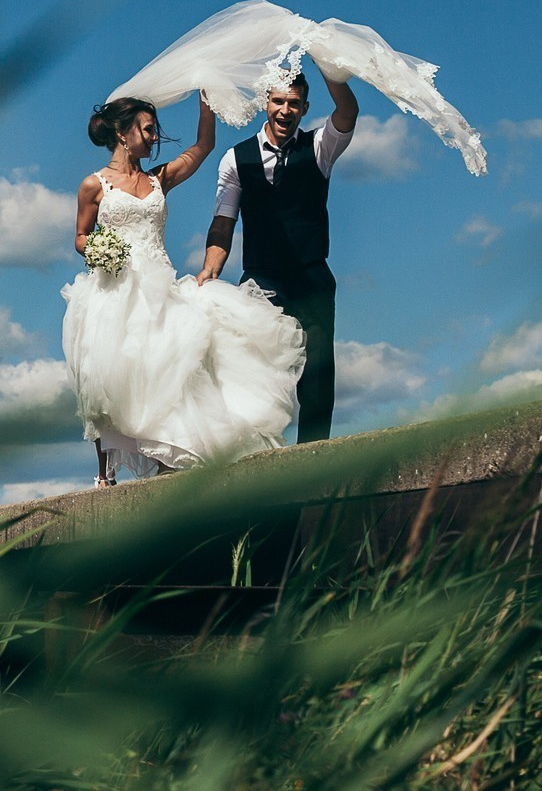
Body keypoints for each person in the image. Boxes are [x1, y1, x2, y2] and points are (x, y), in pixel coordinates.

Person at [62, 94, 305, 486]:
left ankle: (167, 461)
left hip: (161, 286)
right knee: (108, 371)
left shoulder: (159, 179)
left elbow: (203, 147)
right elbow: (80, 236)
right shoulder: (93, 185)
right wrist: (100, 251)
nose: (154, 136)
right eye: (147, 128)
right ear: (123, 134)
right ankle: (105, 474)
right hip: (115, 289)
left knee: (173, 364)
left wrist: (207, 101)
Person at [197, 69, 358, 443]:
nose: (285, 111)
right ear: (265, 103)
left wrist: (329, 66)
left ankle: (314, 460)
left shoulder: (320, 147)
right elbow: (223, 223)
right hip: (261, 280)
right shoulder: (235, 160)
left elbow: (348, 111)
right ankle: (257, 457)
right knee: (253, 370)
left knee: (316, 375)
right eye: (278, 101)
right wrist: (210, 270)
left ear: (304, 109)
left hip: (311, 277)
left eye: (294, 104)